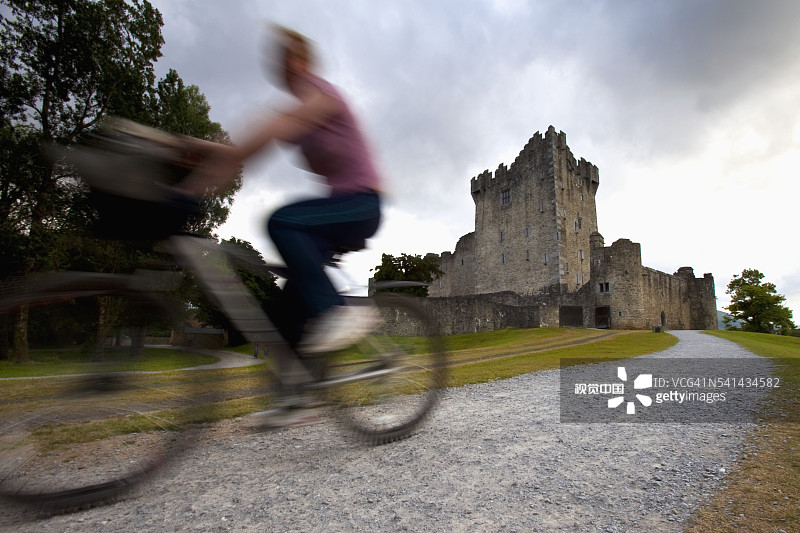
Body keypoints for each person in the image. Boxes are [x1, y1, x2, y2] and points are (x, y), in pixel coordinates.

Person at [180, 26, 383, 425]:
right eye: (278, 56)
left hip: (361, 203)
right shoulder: (298, 109)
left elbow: (270, 132)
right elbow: (247, 146)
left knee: (283, 222)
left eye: (290, 54)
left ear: (305, 61)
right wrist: (188, 158)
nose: (282, 62)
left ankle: (338, 313)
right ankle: (298, 394)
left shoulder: (322, 95)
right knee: (289, 302)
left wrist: (223, 161)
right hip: (337, 207)